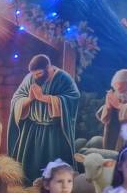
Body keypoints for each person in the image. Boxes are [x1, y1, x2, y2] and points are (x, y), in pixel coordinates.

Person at [8, 54, 81, 182]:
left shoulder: (63, 78)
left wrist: (43, 98)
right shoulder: (30, 78)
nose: (36, 77)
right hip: (31, 130)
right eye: (34, 74)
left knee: (53, 169)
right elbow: (16, 100)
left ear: (48, 68)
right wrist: (29, 99)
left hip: (55, 132)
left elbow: (73, 98)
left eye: (39, 73)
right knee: (29, 169)